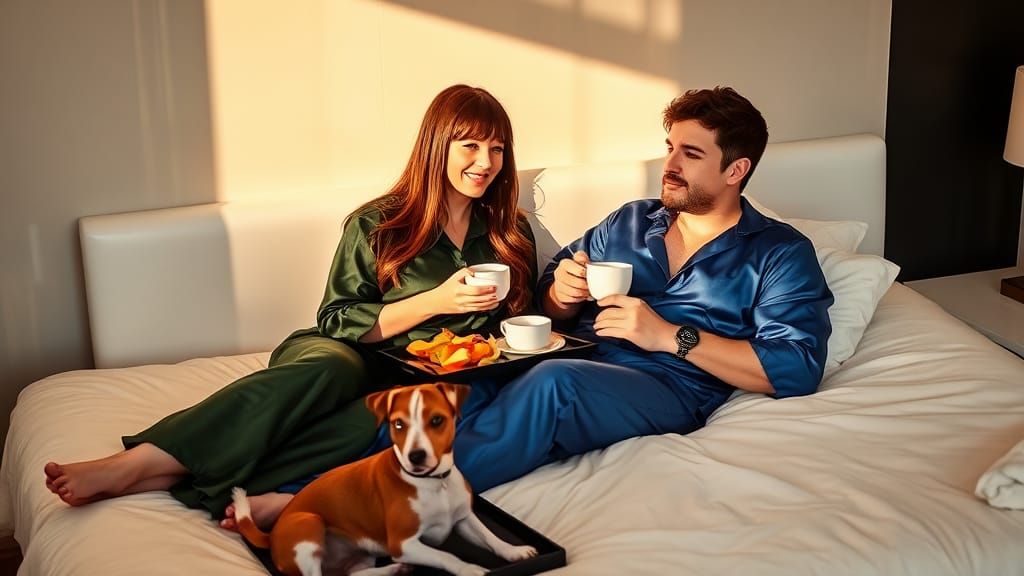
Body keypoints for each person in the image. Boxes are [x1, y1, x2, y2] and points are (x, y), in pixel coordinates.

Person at [226, 85, 834, 530]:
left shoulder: (779, 253)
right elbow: (550, 287)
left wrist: (668, 335)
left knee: (554, 383)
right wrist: (560, 294)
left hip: (669, 384)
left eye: (690, 155)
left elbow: (795, 368)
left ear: (737, 169)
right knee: (456, 393)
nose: (668, 165)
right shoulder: (632, 221)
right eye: (669, 147)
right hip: (582, 354)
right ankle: (293, 489)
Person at [43, 84, 538, 526]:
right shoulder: (378, 225)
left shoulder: (507, 231)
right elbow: (338, 318)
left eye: (497, 148)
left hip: (413, 377)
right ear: (437, 146)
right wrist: (433, 301)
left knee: (371, 422)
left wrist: (560, 300)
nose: (486, 161)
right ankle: (135, 463)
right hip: (345, 351)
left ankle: (178, 479)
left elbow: (521, 322)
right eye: (470, 145)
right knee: (328, 371)